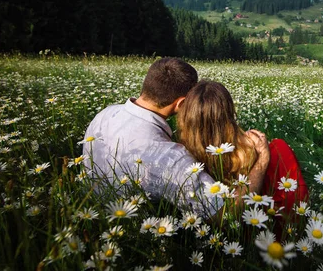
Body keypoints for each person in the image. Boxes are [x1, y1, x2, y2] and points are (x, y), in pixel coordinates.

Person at [82, 57, 270, 219]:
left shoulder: (105, 114)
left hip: (93, 213)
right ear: (181, 103)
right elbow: (224, 214)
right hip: (138, 230)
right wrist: (262, 161)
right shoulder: (168, 157)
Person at [177, 80, 308, 217]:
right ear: (229, 113)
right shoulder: (259, 151)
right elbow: (296, 202)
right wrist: (263, 157)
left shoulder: (181, 159)